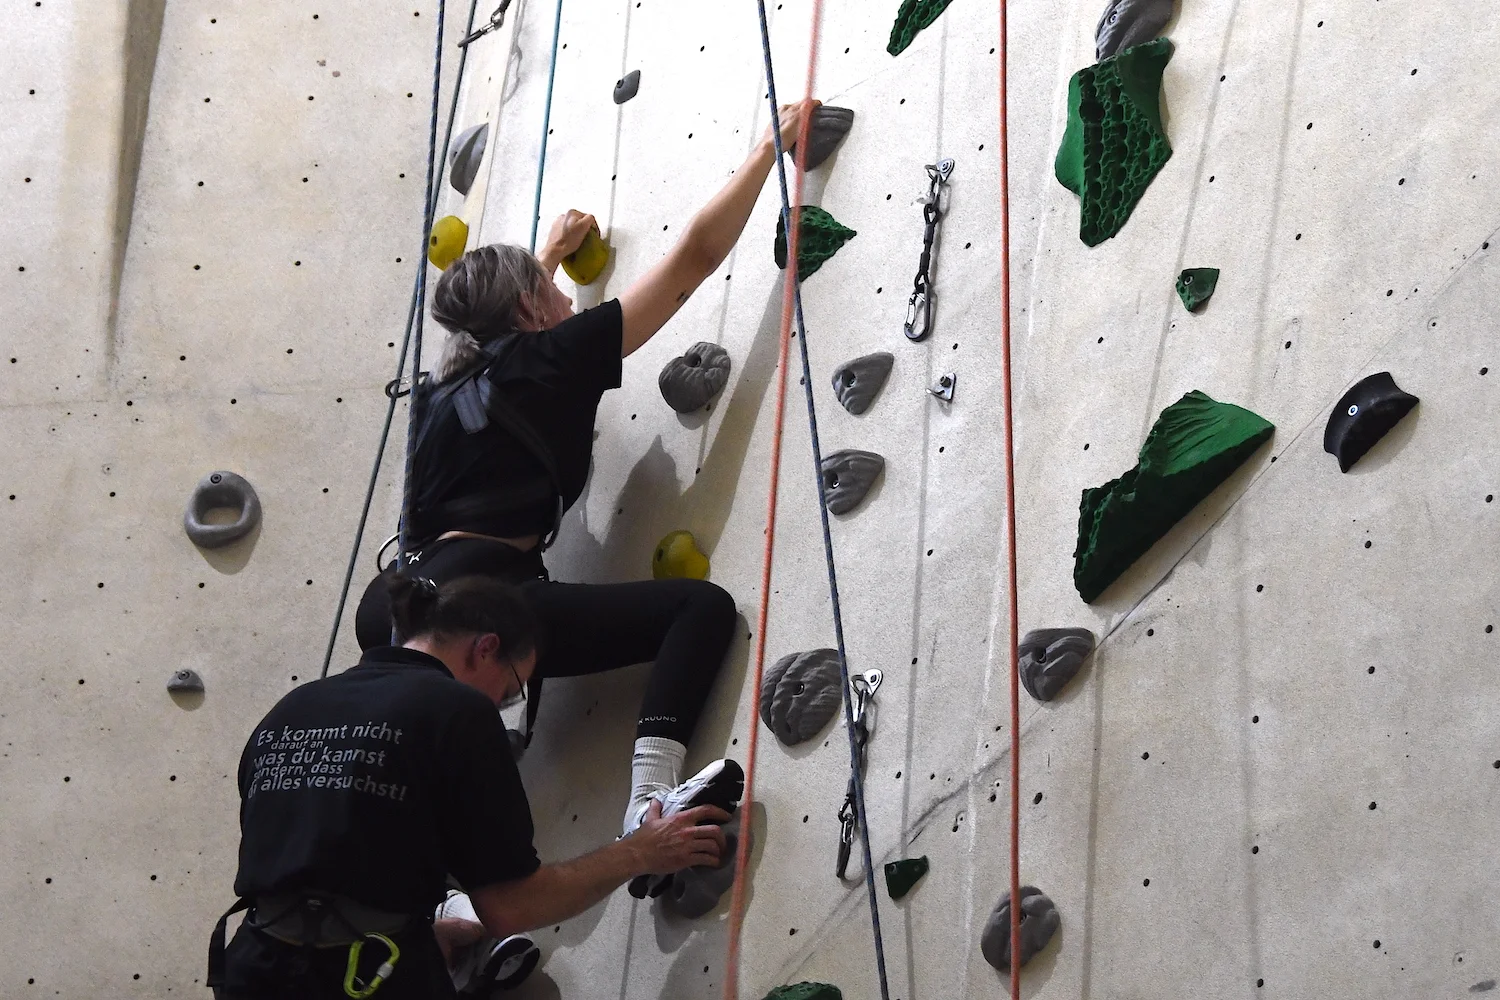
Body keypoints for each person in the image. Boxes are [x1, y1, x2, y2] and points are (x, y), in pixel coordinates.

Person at [354, 101, 821, 843]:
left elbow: (498, 330)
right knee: (698, 610)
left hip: (396, 603)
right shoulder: (551, 357)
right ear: (530, 310)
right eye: (551, 293)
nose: (568, 302)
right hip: (484, 599)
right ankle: (649, 801)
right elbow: (693, 259)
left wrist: (544, 255)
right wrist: (766, 151)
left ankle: (435, 874)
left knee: (437, 746)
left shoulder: (441, 389)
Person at [209, 574, 732, 1000]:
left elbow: (324, 873)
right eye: (510, 691)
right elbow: (512, 907)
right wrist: (641, 851)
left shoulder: (290, 711)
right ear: (485, 648)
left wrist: (423, 931)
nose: (501, 706)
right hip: (365, 979)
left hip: (253, 968)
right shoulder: (456, 710)